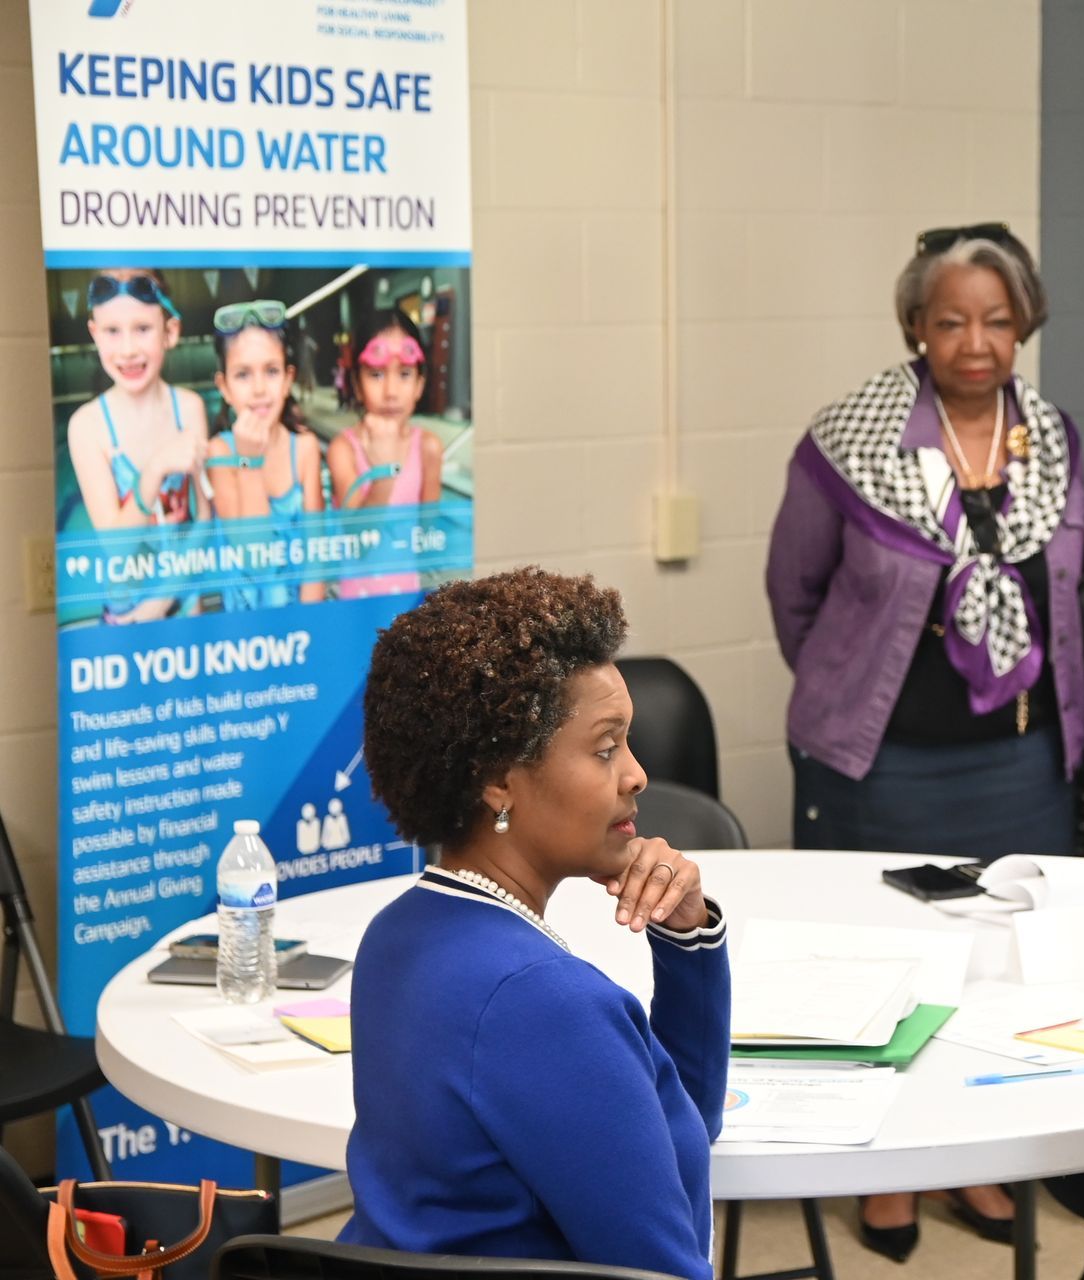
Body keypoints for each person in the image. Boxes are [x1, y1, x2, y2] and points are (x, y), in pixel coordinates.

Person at [765, 223, 1084, 1259]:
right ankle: (888, 1172)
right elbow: (794, 593)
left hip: (1020, 764)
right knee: (882, 964)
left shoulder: (1054, 439)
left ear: (1024, 323)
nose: (975, 342)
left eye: (996, 320)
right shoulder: (847, 441)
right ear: (915, 326)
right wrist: (850, 685)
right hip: (882, 765)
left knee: (996, 972)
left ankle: (973, 1154)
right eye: (951, 321)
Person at [339, 568, 730, 1278]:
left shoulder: (395, 934)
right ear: (499, 780)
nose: (637, 774)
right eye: (606, 748)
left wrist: (688, 936)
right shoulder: (545, 1001)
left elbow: (676, 1134)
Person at [64, 268, 210, 623]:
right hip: (127, 616)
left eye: (142, 329)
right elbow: (117, 546)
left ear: (170, 332)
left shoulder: (189, 408)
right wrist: (156, 469)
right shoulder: (88, 426)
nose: (127, 350)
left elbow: (204, 519)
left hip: (185, 603)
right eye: (112, 331)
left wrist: (161, 602)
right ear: (95, 334)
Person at [204, 300, 325, 608]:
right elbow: (254, 558)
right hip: (245, 625)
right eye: (243, 375)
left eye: (271, 371)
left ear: (287, 380)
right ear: (224, 387)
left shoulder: (305, 448)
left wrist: (311, 625)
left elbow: (316, 556)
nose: (259, 389)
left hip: (301, 621)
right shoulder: (220, 452)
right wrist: (250, 462)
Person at [327, 308, 444, 598]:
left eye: (404, 374)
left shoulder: (428, 448)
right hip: (356, 600)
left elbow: (427, 538)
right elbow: (359, 543)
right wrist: (385, 476)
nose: (391, 391)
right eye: (376, 374)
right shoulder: (344, 449)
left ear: (420, 384)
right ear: (356, 383)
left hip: (408, 598)